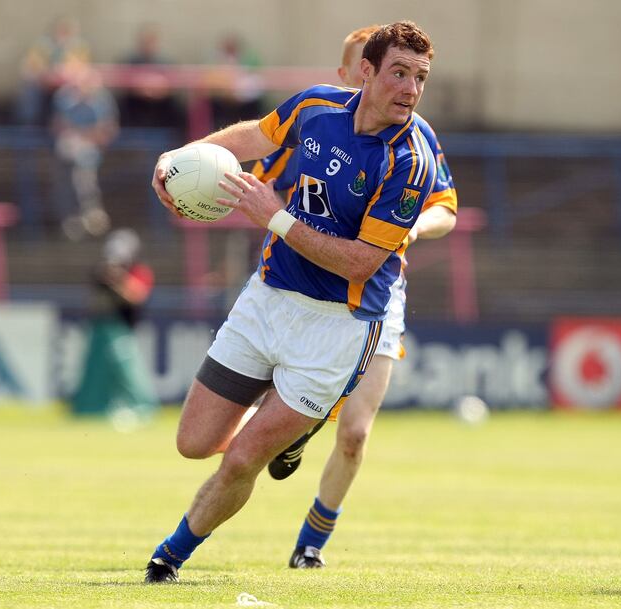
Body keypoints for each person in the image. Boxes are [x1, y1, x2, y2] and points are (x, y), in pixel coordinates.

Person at [143, 21, 439, 584]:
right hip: (268, 300)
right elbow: (254, 137)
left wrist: (274, 217)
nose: (410, 88)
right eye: (399, 73)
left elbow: (360, 263)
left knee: (243, 457)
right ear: (366, 71)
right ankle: (292, 426)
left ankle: (168, 558)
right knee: (194, 444)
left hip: (338, 327)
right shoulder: (316, 106)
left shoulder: (410, 162)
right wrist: (181, 156)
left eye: (420, 78)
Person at [252, 25, 458, 569]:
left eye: (414, 77)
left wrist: (410, 229)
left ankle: (312, 541)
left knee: (356, 433)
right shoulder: (316, 120)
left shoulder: (414, 141)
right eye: (347, 69)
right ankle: (293, 427)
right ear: (354, 73)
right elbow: (261, 180)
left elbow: (445, 208)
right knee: (277, 402)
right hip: (301, 288)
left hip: (377, 296)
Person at [70, 228, 158, 423]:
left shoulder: (138, 271)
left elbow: (136, 296)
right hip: (101, 328)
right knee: (96, 372)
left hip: (123, 329)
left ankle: (141, 407)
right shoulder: (100, 271)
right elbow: (95, 300)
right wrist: (109, 277)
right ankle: (92, 408)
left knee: (128, 371)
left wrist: (118, 279)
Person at [50, 60, 119, 240]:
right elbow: (59, 126)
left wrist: (88, 136)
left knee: (84, 167)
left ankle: (91, 211)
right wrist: (81, 135)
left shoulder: (102, 100)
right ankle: (83, 213)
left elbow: (107, 131)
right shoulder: (64, 97)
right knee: (74, 170)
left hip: (91, 152)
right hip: (69, 150)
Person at [16, 15, 91, 126]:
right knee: (30, 93)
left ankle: (66, 127)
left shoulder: (79, 47)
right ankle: (28, 128)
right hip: (42, 83)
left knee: (74, 96)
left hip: (67, 85)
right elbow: (31, 66)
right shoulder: (43, 45)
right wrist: (46, 73)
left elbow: (82, 68)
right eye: (62, 30)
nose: (65, 34)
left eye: (68, 31)